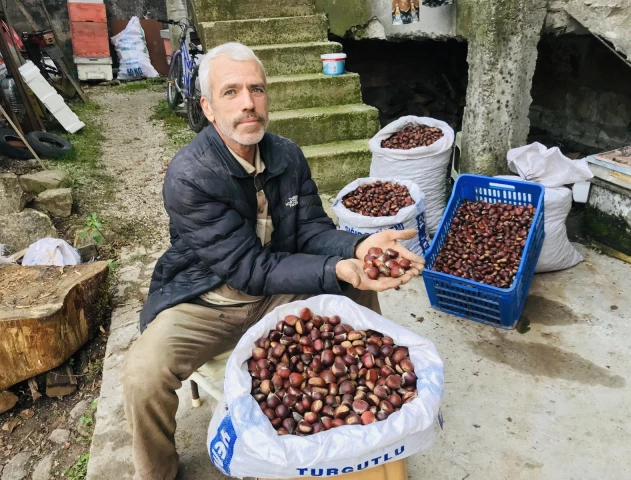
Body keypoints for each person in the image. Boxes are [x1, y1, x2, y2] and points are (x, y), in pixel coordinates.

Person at [122, 42, 425, 480]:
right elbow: (247, 269)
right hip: (208, 298)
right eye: (231, 92)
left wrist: (358, 249)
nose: (248, 103)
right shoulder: (189, 175)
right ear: (208, 108)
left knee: (359, 284)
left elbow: (311, 231)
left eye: (257, 90)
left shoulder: (286, 153)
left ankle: (372, 409)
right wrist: (333, 269)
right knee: (142, 375)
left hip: (277, 286)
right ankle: (157, 472)